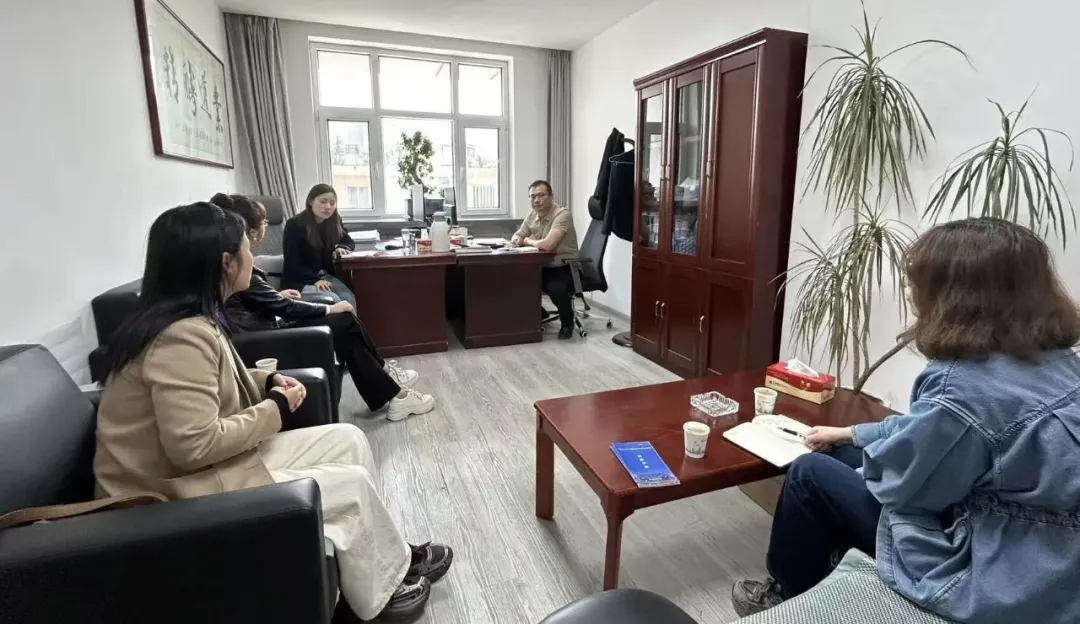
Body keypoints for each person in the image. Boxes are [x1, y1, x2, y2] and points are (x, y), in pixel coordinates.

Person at [93, 202, 452, 622]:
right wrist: (275, 407)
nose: (253, 254)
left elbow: (205, 384)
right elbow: (193, 447)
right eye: (247, 246)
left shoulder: (187, 319)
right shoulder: (180, 336)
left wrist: (266, 381)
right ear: (226, 262)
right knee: (350, 486)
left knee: (348, 439)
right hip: (170, 494)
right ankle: (382, 592)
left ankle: (379, 560)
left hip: (193, 472)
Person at [732, 218, 1080, 624]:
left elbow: (909, 488)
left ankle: (787, 593)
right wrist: (853, 433)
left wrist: (872, 460)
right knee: (843, 453)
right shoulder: (1058, 361)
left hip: (994, 569)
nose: (910, 291)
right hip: (1048, 549)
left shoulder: (963, 386)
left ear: (953, 296)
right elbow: (945, 435)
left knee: (808, 473)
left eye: (917, 282)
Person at [211, 193, 435, 422]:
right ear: (249, 232)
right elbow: (283, 306)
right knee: (342, 318)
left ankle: (389, 386)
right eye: (264, 222)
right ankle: (393, 391)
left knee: (344, 319)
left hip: (265, 329)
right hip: (264, 341)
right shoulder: (238, 265)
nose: (265, 227)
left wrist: (275, 295)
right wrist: (327, 309)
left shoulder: (225, 262)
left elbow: (249, 301)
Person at [511, 180, 580, 340]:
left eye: (541, 195)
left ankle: (567, 322)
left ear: (551, 196)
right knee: (514, 279)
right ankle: (539, 313)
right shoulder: (532, 215)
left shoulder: (562, 214)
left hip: (564, 266)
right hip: (541, 265)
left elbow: (549, 245)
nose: (536, 200)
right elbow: (517, 235)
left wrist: (527, 241)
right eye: (532, 196)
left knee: (554, 287)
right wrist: (518, 239)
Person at [283, 184, 357, 306]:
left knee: (348, 297)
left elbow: (348, 241)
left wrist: (341, 248)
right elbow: (293, 261)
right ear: (311, 201)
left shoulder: (333, 221)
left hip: (325, 276)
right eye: (323, 202)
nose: (328, 207)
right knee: (333, 299)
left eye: (332, 203)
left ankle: (353, 320)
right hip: (301, 279)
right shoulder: (295, 225)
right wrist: (314, 280)